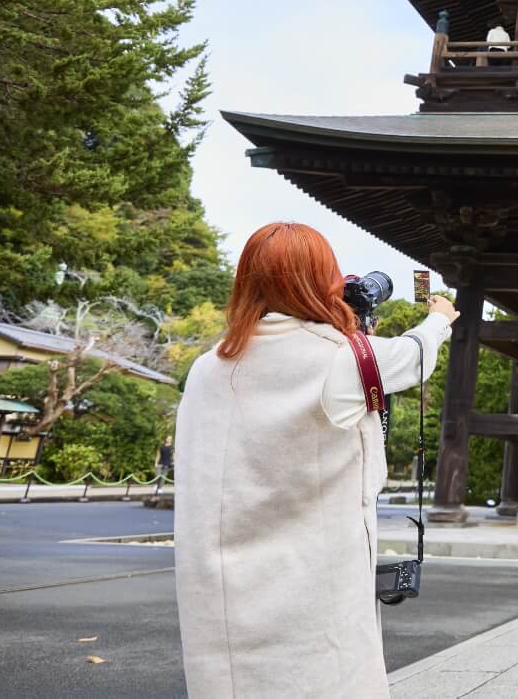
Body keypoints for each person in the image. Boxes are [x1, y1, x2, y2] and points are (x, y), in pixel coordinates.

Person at [174, 222, 458, 698]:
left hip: (219, 573)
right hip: (310, 571)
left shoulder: (208, 365)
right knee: (321, 676)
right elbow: (413, 356)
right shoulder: (340, 359)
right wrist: (440, 318)